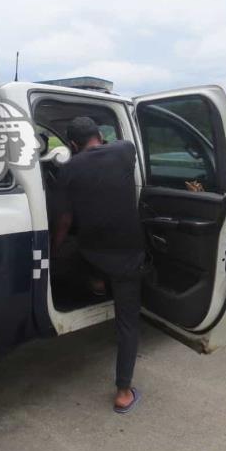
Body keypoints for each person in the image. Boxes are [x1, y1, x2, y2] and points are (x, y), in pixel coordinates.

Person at [51, 117, 146, 414]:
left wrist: (53, 249)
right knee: (127, 324)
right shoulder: (125, 151)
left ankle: (96, 282)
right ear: (100, 136)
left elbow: (65, 221)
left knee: (69, 252)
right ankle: (123, 392)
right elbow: (118, 148)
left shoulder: (69, 169)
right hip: (128, 255)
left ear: (73, 145)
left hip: (93, 253)